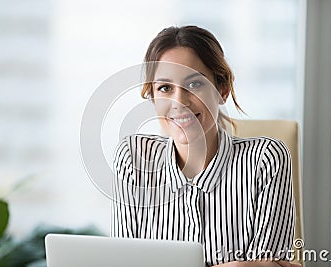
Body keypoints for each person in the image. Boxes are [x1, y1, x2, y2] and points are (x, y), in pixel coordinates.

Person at [111, 26, 299, 267]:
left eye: (194, 84)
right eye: (165, 88)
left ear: (222, 89)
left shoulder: (265, 160)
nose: (179, 102)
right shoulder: (133, 160)